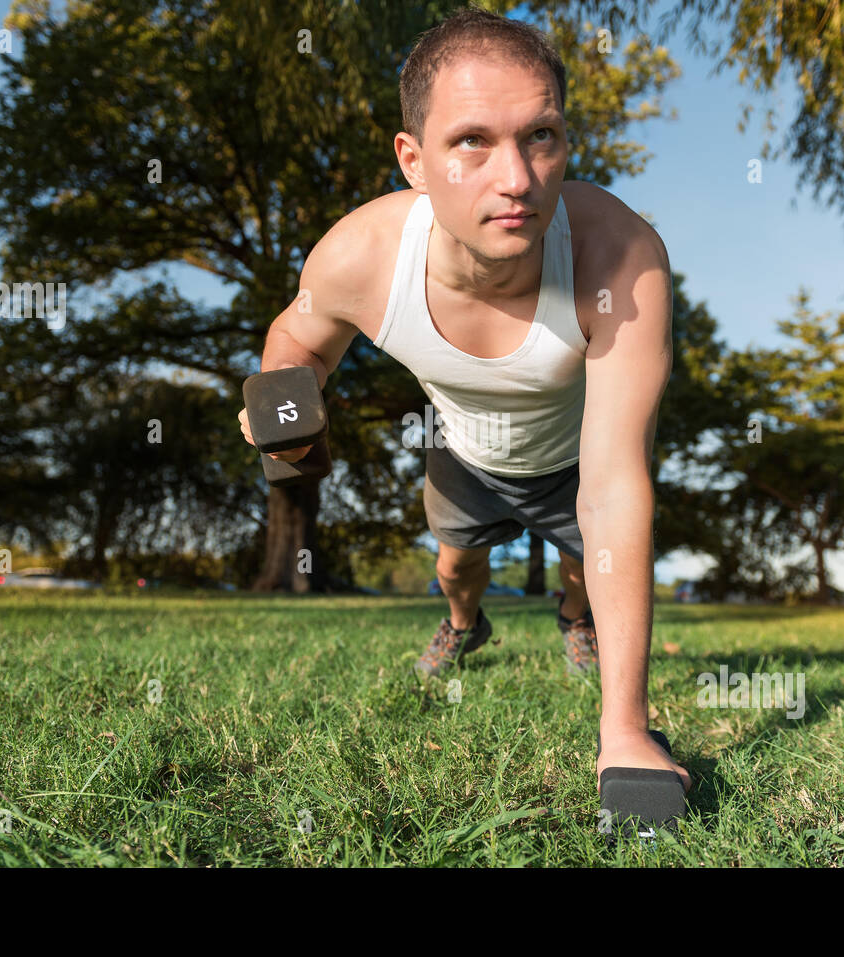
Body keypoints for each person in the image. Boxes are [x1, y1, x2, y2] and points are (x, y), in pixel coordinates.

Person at [238, 8, 689, 796]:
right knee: (456, 566)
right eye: (472, 141)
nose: (515, 178)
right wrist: (288, 427)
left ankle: (575, 624)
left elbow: (614, 485)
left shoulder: (620, 258)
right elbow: (295, 340)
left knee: (591, 562)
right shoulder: (362, 258)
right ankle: (461, 627)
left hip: (574, 459)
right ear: (413, 159)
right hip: (464, 454)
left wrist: (626, 730)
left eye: (539, 136)